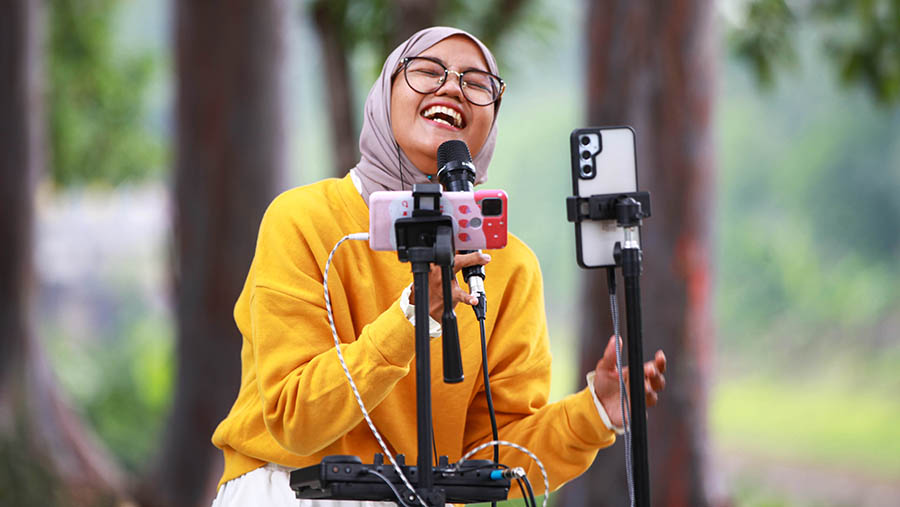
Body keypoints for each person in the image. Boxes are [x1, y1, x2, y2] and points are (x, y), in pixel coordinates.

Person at [210, 26, 666, 506]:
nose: (452, 87)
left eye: (477, 82)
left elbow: (492, 457)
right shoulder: (305, 221)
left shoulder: (506, 265)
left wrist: (597, 413)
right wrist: (411, 318)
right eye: (428, 71)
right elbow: (294, 420)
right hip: (289, 491)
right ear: (384, 94)